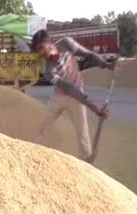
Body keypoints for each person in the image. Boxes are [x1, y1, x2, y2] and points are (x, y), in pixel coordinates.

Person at [32, 30, 116, 163]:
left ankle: (88, 164)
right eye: (38, 51)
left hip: (77, 95)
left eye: (41, 48)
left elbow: (88, 54)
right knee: (45, 127)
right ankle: (34, 154)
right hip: (59, 97)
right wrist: (94, 108)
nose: (41, 53)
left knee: (83, 134)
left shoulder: (66, 44)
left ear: (49, 43)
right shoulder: (48, 70)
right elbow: (70, 89)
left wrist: (106, 64)